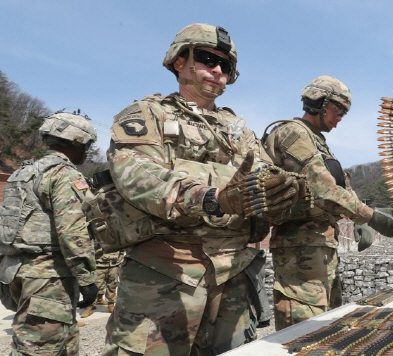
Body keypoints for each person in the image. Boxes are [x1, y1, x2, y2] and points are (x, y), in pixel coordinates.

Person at [102, 23, 303, 355]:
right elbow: (137, 176)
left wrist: (284, 194)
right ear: (180, 61)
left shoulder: (241, 131)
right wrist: (212, 197)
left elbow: (267, 183)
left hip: (235, 274)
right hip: (166, 273)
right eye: (208, 58)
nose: (218, 70)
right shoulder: (147, 115)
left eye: (226, 65)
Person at [262, 75, 393, 330]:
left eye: (343, 113)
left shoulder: (318, 142)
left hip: (321, 245)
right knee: (304, 328)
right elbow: (323, 187)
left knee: (329, 324)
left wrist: (358, 215)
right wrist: (369, 216)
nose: (339, 117)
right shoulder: (293, 133)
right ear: (318, 101)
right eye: (337, 109)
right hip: (300, 250)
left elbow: (340, 187)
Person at [0, 112, 98, 355]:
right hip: (48, 277)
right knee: (37, 348)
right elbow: (72, 230)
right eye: (86, 146)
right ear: (76, 143)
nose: (86, 153)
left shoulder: (22, 173)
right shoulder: (63, 174)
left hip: (16, 270)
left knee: (61, 342)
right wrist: (87, 278)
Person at [80, 241, 124, 318]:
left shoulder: (117, 231)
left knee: (112, 285)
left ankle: (111, 305)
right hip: (99, 264)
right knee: (95, 287)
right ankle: (89, 307)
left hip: (114, 264)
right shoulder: (96, 231)